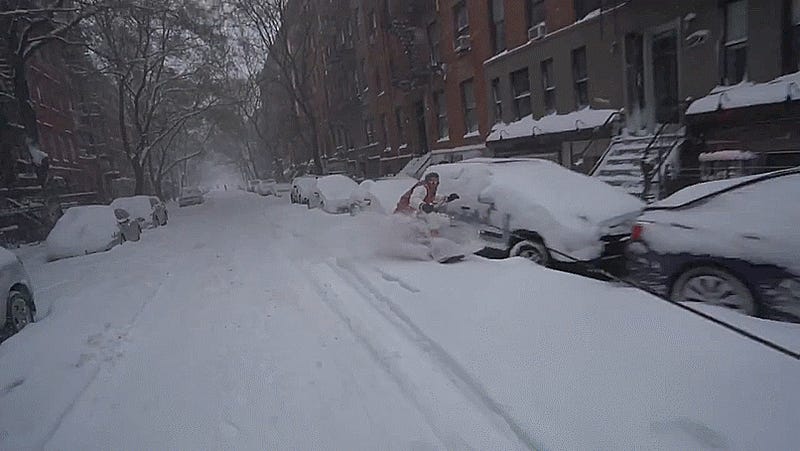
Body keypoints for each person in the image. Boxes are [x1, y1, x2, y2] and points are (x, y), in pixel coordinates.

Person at [394, 172, 458, 215]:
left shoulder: (430, 190)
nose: (433, 183)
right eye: (431, 180)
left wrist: (447, 198)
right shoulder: (422, 188)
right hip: (405, 212)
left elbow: (433, 197)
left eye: (435, 181)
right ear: (427, 181)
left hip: (415, 211)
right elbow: (414, 199)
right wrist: (422, 206)